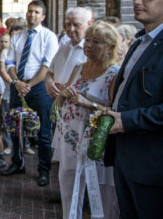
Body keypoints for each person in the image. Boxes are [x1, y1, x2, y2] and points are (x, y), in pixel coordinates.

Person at [106, 0, 163, 218]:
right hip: (124, 157)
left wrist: (125, 121)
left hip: (151, 163)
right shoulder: (140, 42)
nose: (138, 1)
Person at [53, 21, 120, 219]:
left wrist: (88, 104)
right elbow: (60, 99)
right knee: (68, 183)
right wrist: (63, 93)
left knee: (99, 190)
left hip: (95, 140)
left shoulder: (114, 74)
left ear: (110, 48)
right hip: (69, 138)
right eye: (88, 40)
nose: (89, 45)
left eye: (96, 41)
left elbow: (115, 112)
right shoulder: (78, 67)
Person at [0, 0, 59, 187]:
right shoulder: (17, 37)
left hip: (39, 88)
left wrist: (30, 85)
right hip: (17, 86)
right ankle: (18, 164)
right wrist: (17, 82)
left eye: (36, 12)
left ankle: (43, 170)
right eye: (29, 11)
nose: (32, 15)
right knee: (15, 128)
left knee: (43, 131)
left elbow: (47, 65)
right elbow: (9, 63)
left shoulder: (49, 37)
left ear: (43, 17)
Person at [45, 7, 94, 99]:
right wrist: (49, 83)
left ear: (89, 24)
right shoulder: (64, 46)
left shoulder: (91, 50)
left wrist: (67, 89)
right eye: (68, 24)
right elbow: (50, 72)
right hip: (56, 99)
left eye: (76, 25)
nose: (71, 29)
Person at [0, 32, 13, 154]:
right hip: (5, 91)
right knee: (6, 118)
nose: (3, 44)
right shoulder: (1, 54)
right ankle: (8, 144)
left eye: (6, 41)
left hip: (16, 91)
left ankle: (25, 144)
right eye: (1, 41)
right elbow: (2, 72)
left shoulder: (14, 53)